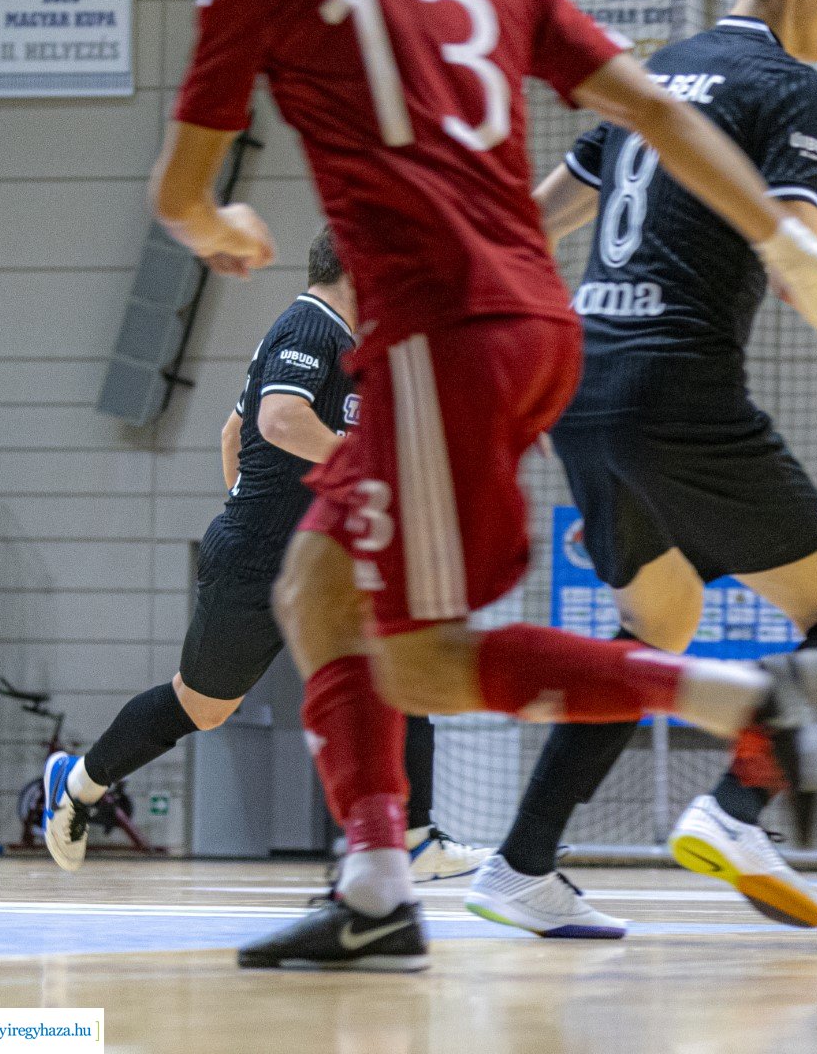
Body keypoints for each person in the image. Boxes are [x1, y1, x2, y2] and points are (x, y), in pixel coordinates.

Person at [154, 0, 817, 971]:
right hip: (525, 322)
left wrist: (218, 227)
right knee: (317, 591)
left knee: (412, 660)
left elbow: (181, 194)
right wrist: (787, 245)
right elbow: (653, 113)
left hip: (447, 327)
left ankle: (737, 701)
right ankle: (377, 884)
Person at [471, 0, 817, 936]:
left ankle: (520, 865)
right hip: (677, 388)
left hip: (582, 391)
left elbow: (523, 227)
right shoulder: (783, 83)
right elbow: (812, 283)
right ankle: (735, 807)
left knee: (659, 623)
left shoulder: (651, 73)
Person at [40, 228, 488, 883]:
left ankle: (414, 836)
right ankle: (79, 781)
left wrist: (260, 494)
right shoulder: (310, 327)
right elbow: (276, 421)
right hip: (255, 562)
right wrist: (280, 505)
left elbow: (235, 428)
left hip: (313, 562)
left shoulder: (345, 343)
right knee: (204, 706)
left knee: (399, 664)